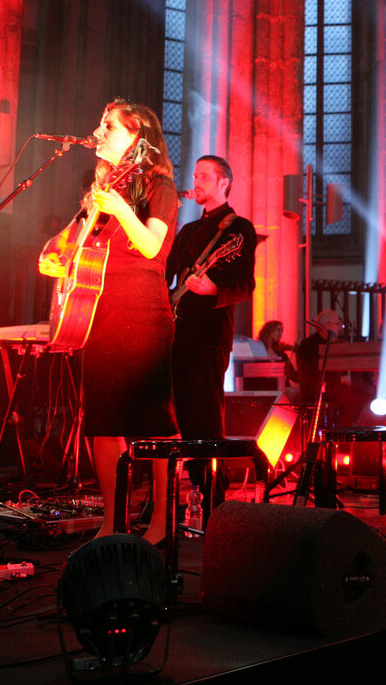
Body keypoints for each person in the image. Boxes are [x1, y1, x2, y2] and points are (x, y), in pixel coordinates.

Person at [38, 99, 179, 546]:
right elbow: (59, 258)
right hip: (98, 314)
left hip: (142, 312)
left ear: (140, 138)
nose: (100, 131)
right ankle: (113, 521)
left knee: (154, 420)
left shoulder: (160, 188)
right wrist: (68, 239)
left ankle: (162, 522)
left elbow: (152, 246)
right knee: (102, 420)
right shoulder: (98, 193)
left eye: (110, 126)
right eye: (100, 123)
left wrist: (118, 208)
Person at [167, 155, 257, 521]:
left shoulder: (239, 230)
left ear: (224, 182)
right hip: (178, 332)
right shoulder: (187, 231)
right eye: (195, 176)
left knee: (205, 418)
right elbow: (165, 273)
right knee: (181, 420)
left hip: (209, 336)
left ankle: (215, 502)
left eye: (204, 176)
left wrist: (212, 287)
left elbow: (245, 284)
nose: (196, 181)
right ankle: (193, 496)